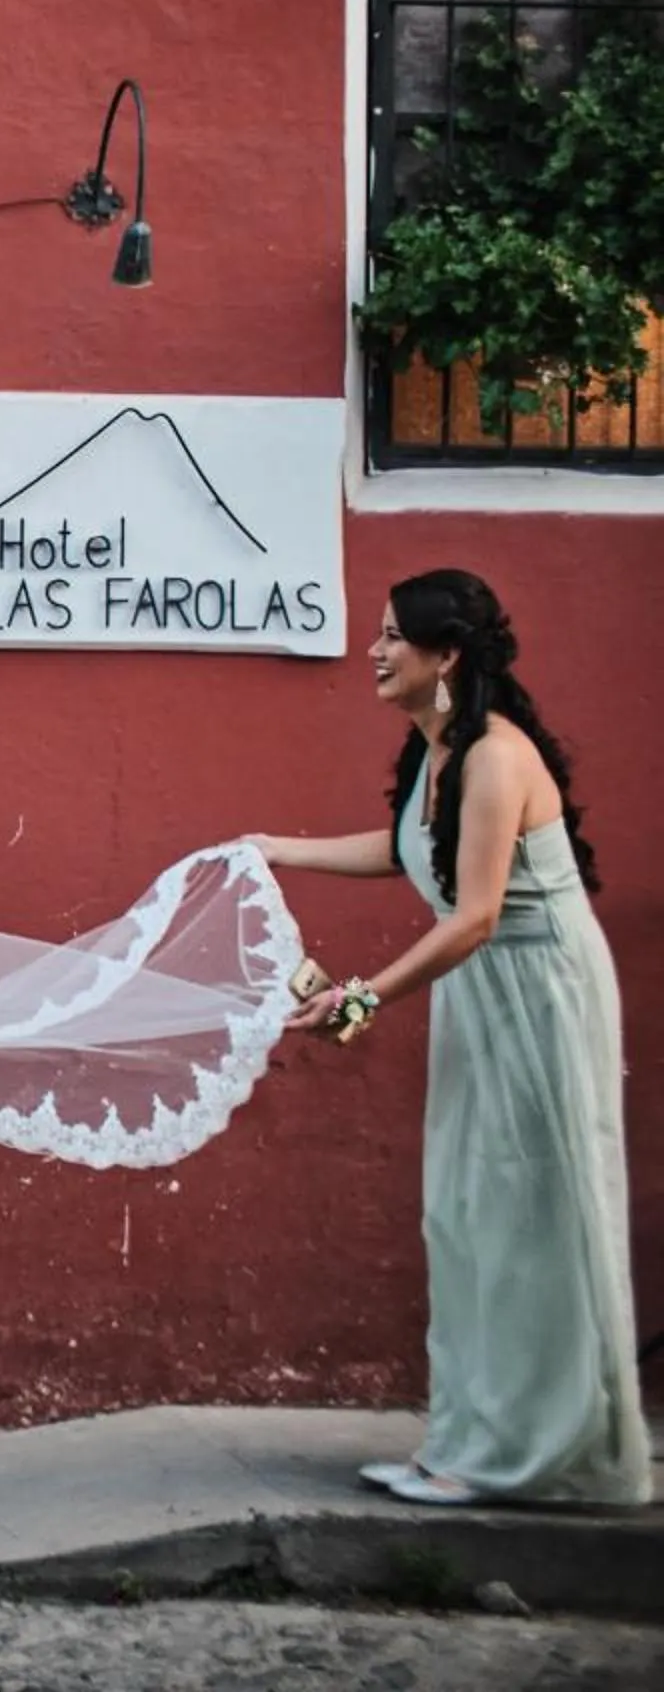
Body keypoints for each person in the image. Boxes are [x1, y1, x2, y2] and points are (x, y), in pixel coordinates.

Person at [252, 569, 648, 1508]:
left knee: (530, 1223)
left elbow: (473, 916)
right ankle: (469, 1441)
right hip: (483, 993)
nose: (375, 652)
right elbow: (409, 852)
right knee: (467, 1216)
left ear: (448, 655)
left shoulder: (496, 758)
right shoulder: (439, 751)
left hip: (538, 997)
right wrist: (272, 848)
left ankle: (526, 1457)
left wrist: (359, 1001)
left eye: (394, 636)